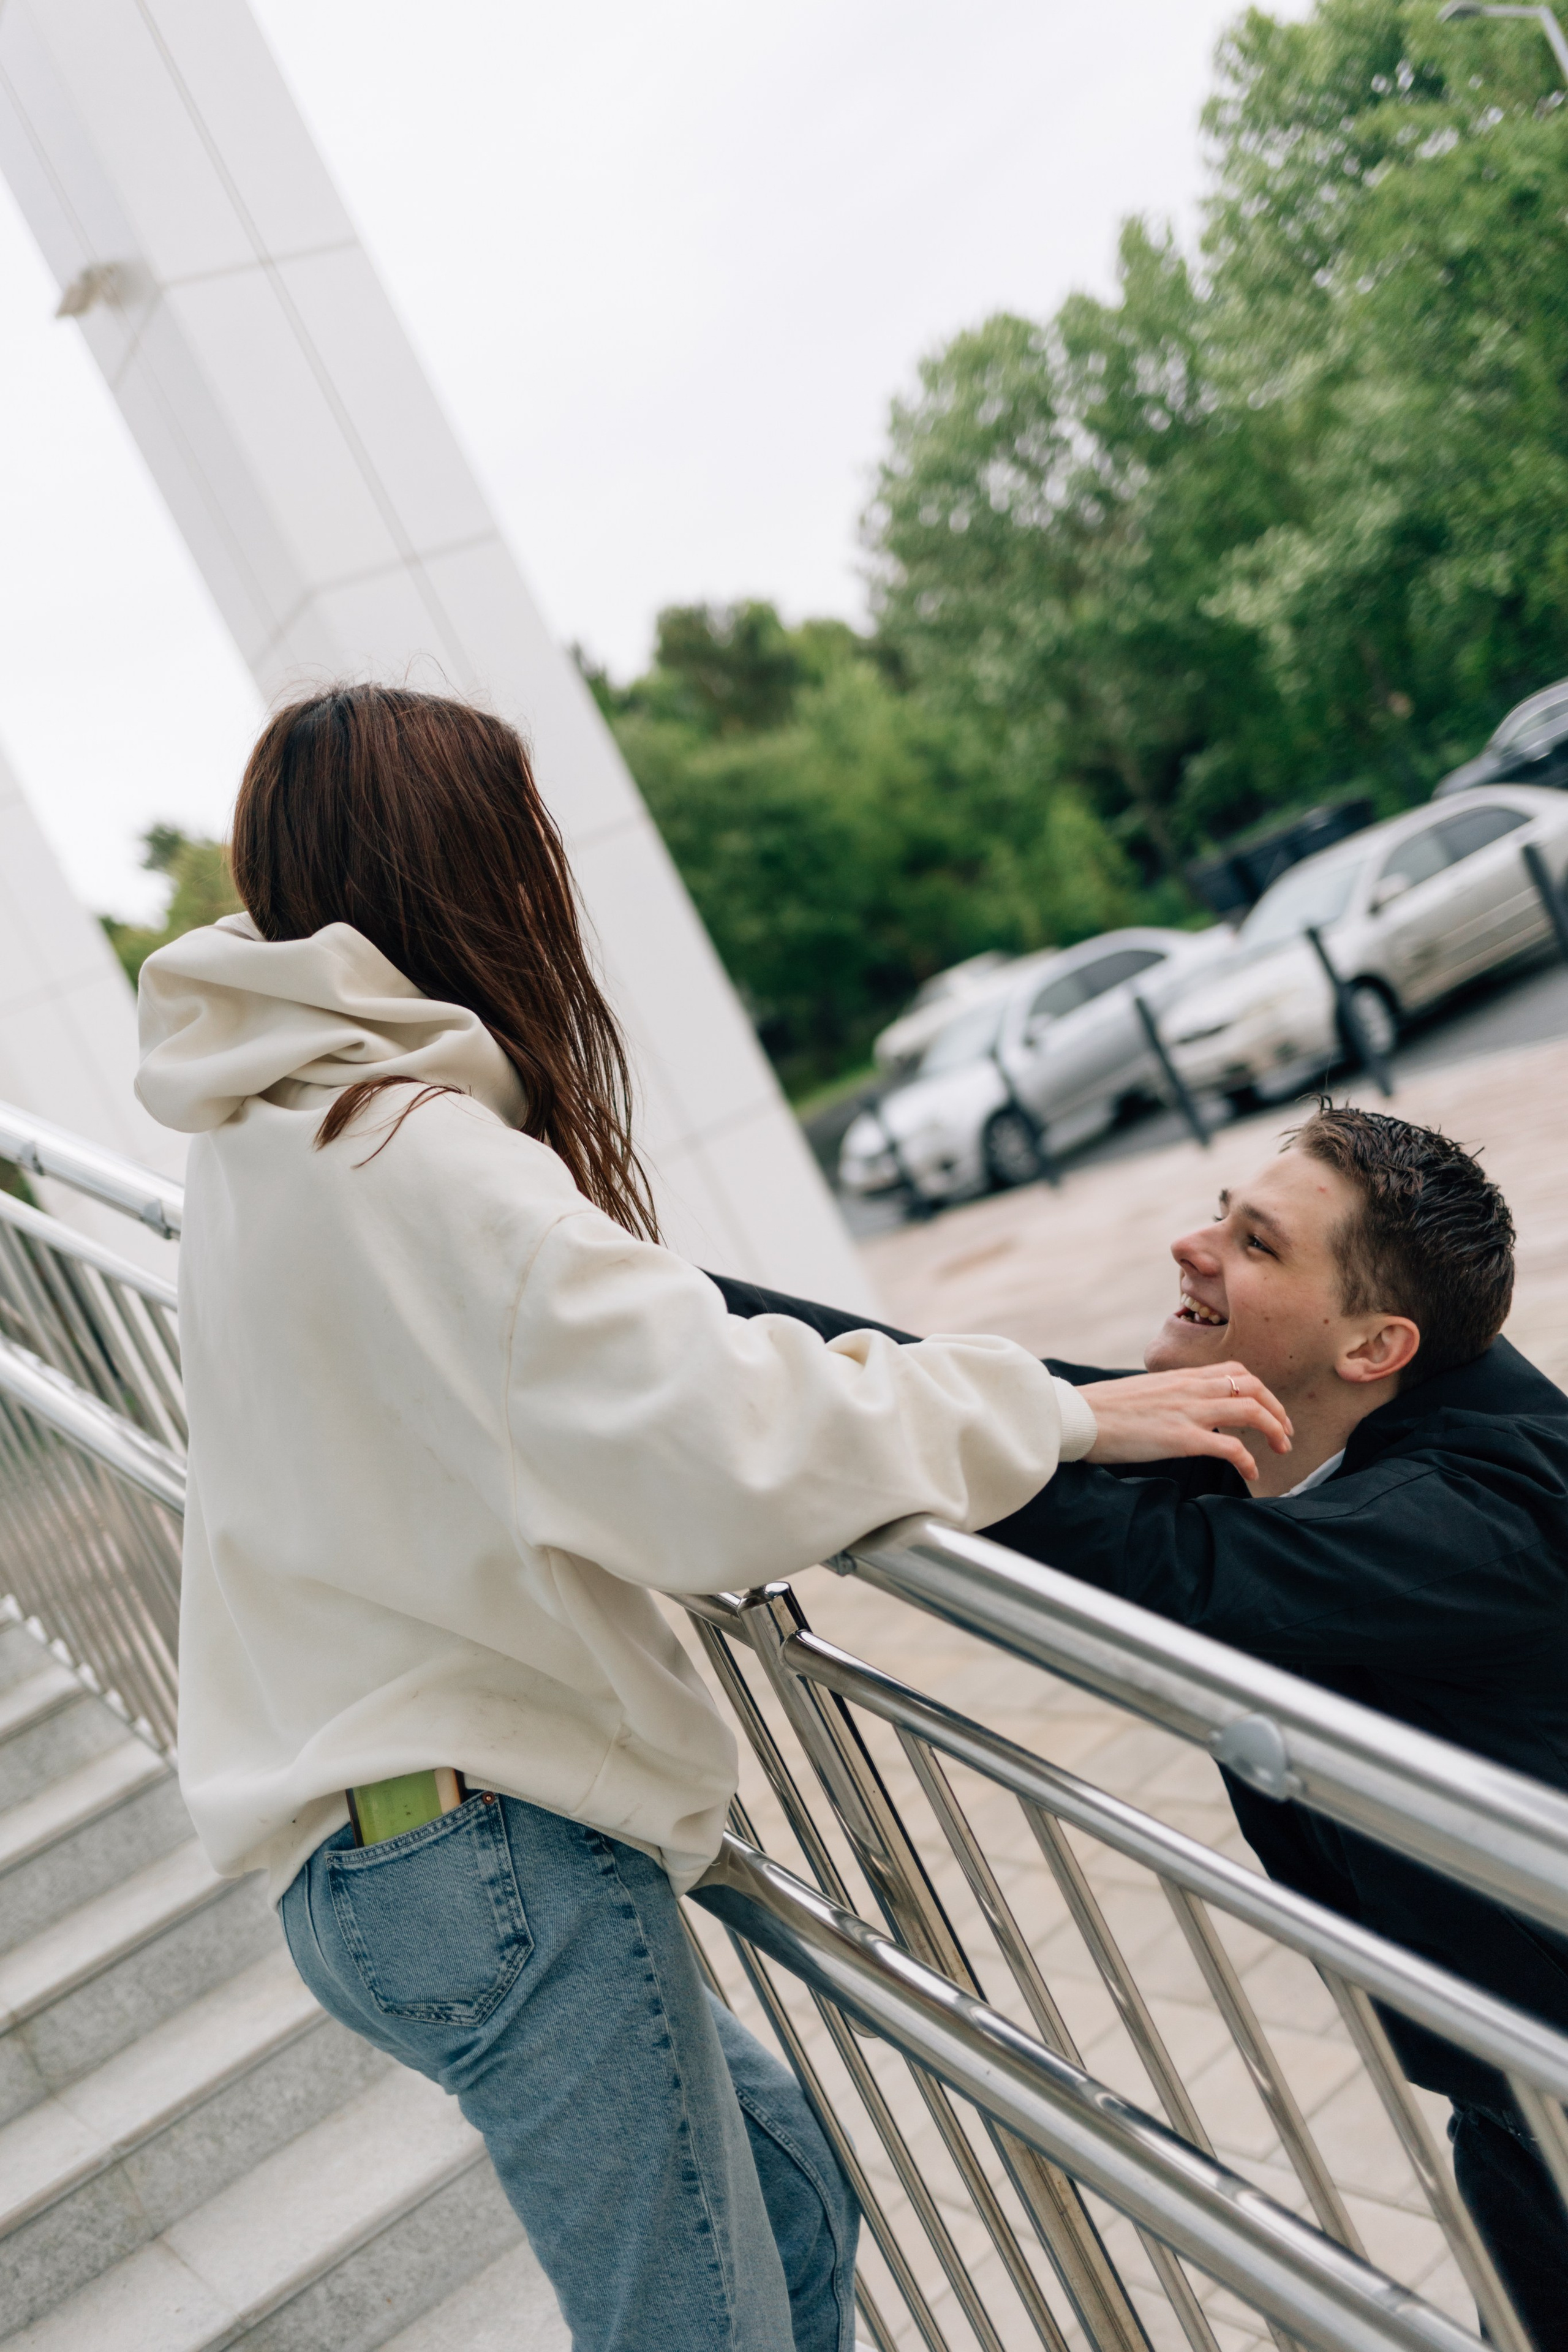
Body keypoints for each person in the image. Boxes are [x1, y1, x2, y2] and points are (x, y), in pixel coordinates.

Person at [133, 683, 1284, 2352]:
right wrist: (1060, 1406)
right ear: (469, 869)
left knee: (794, 2204)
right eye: (526, 846)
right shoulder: (416, 1157)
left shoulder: (259, 1133)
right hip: (479, 1852)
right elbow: (724, 1440)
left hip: (373, 1857)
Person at [714, 1106, 1568, 2344]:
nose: (1190, 1242)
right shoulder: (1312, 1410)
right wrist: (643, 1309)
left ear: (1374, 1343)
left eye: (1254, 1243)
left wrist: (961, 1434)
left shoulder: (1497, 1512)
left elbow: (1167, 1563)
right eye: (1220, 1210)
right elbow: (974, 1385)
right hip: (1511, 2090)